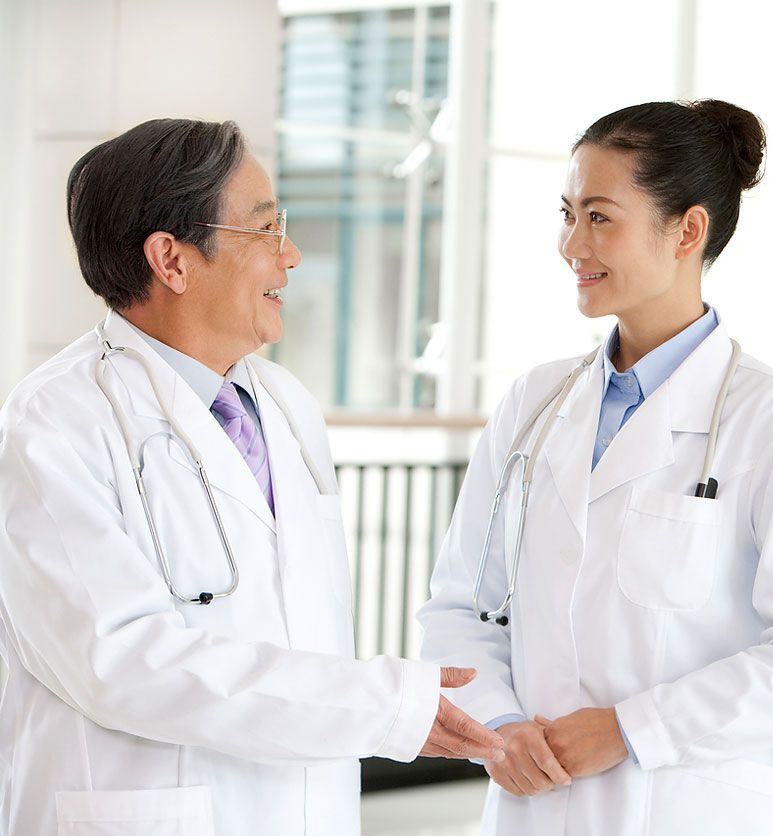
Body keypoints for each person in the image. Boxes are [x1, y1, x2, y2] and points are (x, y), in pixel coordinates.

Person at [0, 118, 503, 836]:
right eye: (265, 231)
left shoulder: (285, 404)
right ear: (171, 260)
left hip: (304, 808)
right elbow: (119, 662)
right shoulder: (55, 424)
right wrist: (380, 704)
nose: (290, 256)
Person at [418, 100, 773, 836]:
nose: (570, 244)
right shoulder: (535, 402)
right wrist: (498, 720)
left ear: (687, 231)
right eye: (566, 213)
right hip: (530, 802)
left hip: (683, 805)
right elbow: (460, 606)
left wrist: (632, 728)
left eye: (598, 217)